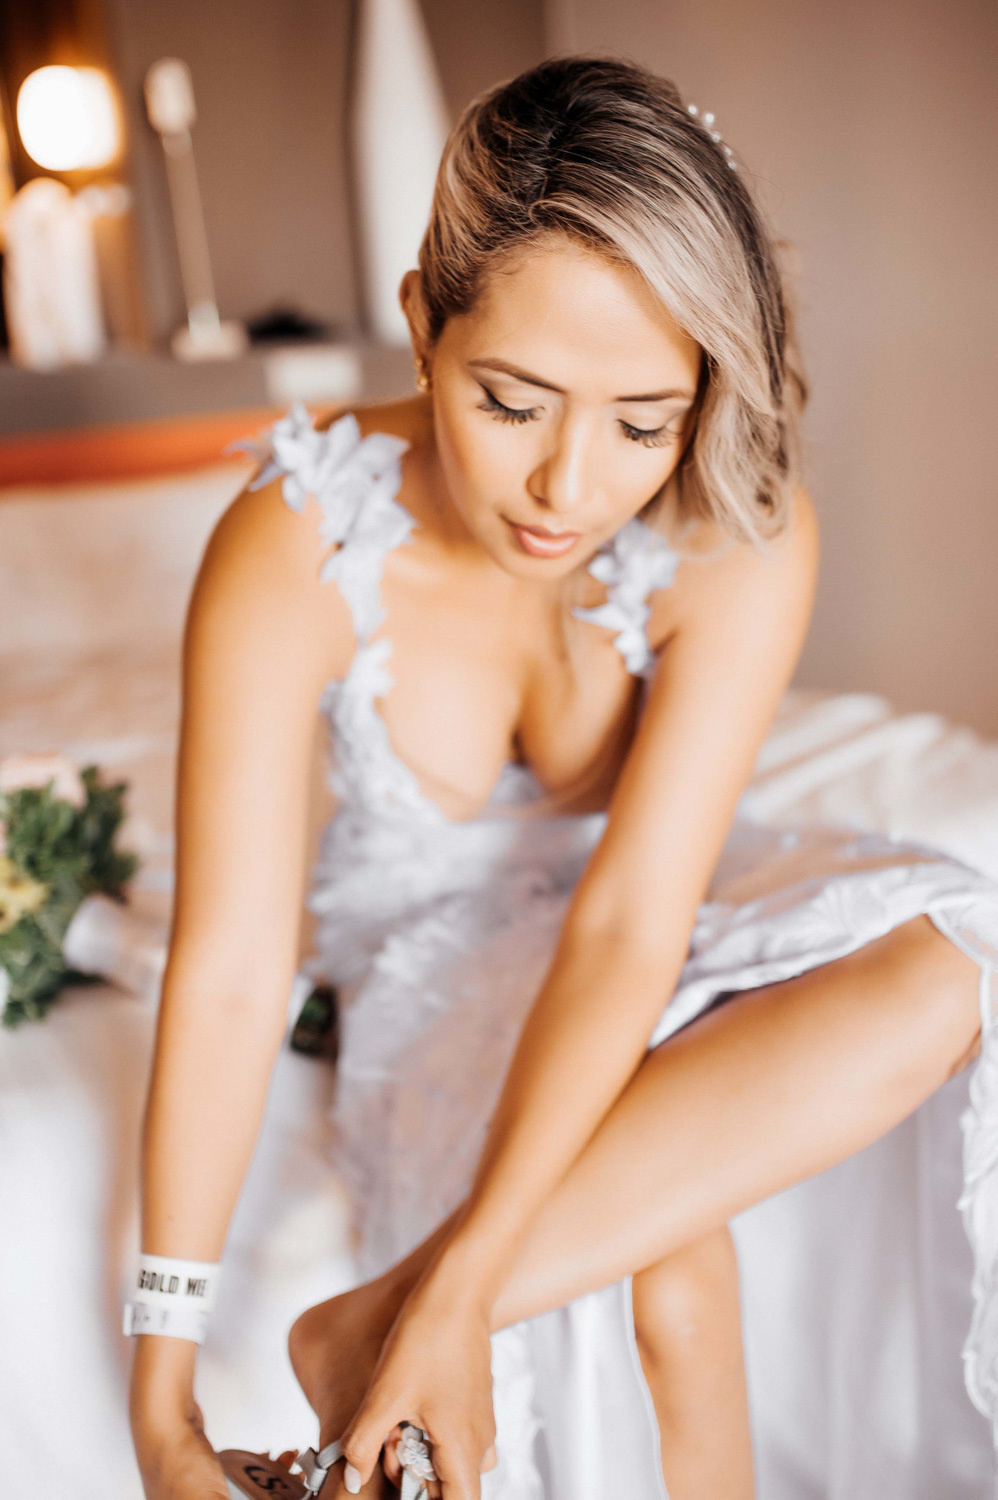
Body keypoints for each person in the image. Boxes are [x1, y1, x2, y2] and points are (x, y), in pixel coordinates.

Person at [128, 57, 998, 1500]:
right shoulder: (290, 545)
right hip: (435, 951)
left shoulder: (746, 537)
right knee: (668, 1270)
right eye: (512, 403)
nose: (568, 489)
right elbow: (228, 968)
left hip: (649, 915)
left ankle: (382, 1315)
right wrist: (161, 1394)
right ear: (420, 326)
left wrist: (461, 1284)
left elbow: (630, 918)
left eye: (643, 424)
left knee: (945, 967)